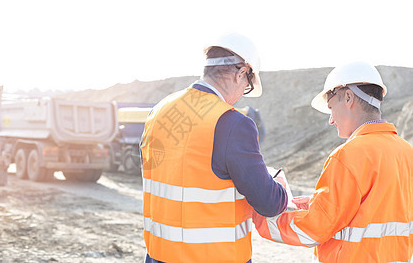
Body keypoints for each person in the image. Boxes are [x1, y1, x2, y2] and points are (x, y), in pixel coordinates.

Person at [140, 33, 288, 263]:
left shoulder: (159, 111)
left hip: (160, 255)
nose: (242, 95)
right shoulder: (232, 123)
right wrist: (279, 187)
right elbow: (268, 202)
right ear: (241, 74)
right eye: (247, 86)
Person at [253, 62, 413, 262]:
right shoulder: (406, 152)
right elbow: (378, 210)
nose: (330, 120)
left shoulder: (349, 155)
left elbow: (314, 229)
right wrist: (317, 203)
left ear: (348, 97)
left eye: (331, 108)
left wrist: (262, 217)